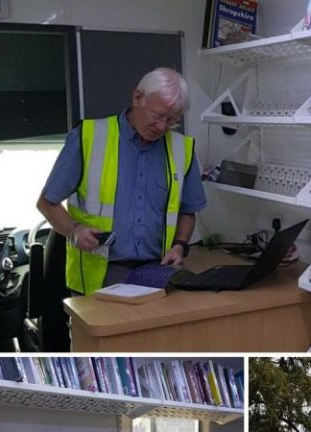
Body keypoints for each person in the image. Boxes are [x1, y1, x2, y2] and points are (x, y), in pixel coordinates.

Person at [37, 67, 207, 294]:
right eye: (157, 116)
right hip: (100, 273)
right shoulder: (89, 137)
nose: (161, 127)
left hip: (157, 272)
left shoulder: (182, 149)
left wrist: (180, 245)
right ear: (137, 97)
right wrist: (74, 230)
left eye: (170, 121)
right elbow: (47, 203)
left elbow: (188, 210)